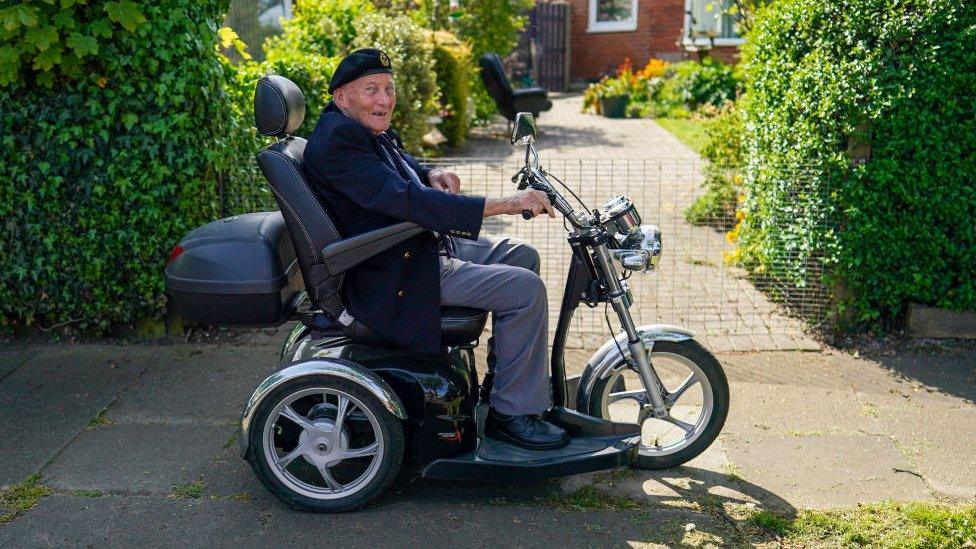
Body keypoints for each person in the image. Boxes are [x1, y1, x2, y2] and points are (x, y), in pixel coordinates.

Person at [303, 48, 569, 451]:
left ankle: (508, 388)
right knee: (525, 290)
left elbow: (396, 165)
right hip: (391, 272)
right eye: (371, 89)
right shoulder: (339, 140)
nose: (384, 99)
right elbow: (410, 201)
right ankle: (512, 416)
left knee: (522, 256)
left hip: (407, 249)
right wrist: (509, 203)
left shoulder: (353, 127)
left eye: (389, 88)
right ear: (341, 97)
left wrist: (431, 172)